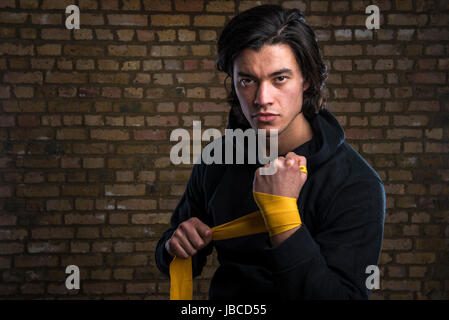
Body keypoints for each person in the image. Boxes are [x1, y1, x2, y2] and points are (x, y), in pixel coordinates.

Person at [155, 4, 386, 300]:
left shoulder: (355, 183)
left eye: (280, 79)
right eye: (248, 81)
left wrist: (282, 216)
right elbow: (174, 255)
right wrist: (174, 246)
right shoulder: (219, 158)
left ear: (308, 80)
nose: (262, 99)